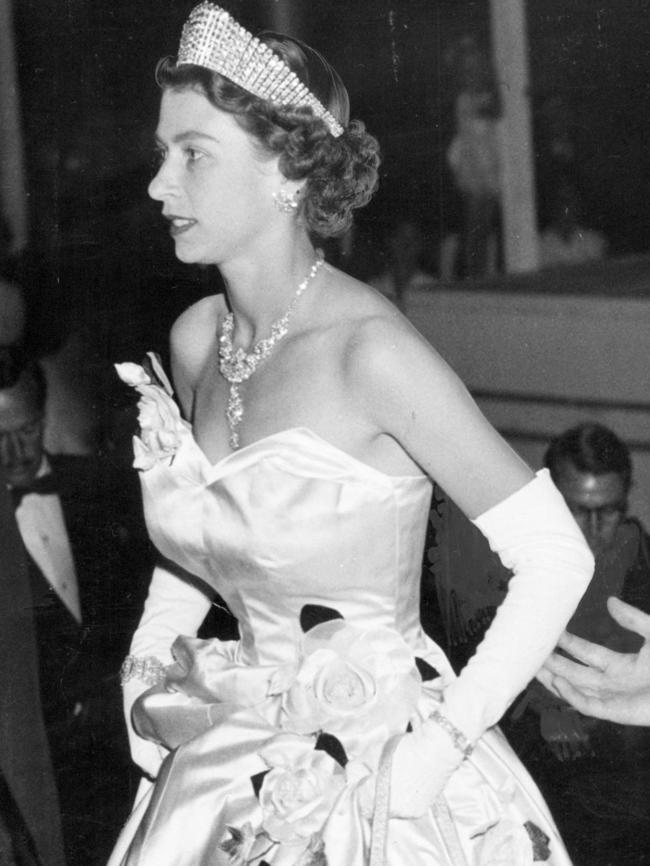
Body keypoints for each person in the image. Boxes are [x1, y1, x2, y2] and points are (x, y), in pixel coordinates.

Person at [109, 5, 593, 864]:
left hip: (381, 781)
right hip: (224, 761)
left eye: (193, 155)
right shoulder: (195, 341)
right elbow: (202, 530)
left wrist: (443, 742)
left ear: (286, 175)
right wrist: (149, 664)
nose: (159, 185)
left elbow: (559, 555)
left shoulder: (373, 355)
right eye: (162, 153)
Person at [0, 354, 151, 864]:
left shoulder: (105, 489)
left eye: (26, 428)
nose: (14, 451)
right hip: (34, 769)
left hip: (125, 746)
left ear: (45, 414)